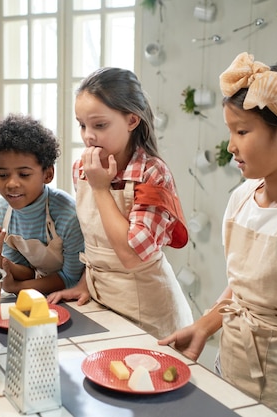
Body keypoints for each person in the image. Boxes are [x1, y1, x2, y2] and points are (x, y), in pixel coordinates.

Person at [158, 52, 277, 417]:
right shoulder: (241, 200)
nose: (231, 146)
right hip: (229, 373)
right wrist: (204, 326)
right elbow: (244, 289)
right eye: (230, 131)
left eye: (242, 131)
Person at [47, 67, 193, 340]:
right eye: (82, 124)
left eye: (99, 125)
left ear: (132, 120)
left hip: (150, 315)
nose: (88, 136)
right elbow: (97, 243)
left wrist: (101, 188)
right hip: (103, 304)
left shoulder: (153, 173)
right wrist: (84, 284)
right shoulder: (82, 167)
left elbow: (130, 255)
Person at [0, 113, 85, 295]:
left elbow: (70, 278)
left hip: (72, 295)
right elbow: (25, 270)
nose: (11, 184)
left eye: (24, 174)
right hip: (36, 291)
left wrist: (16, 288)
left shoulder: (68, 214)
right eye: (2, 175)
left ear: (48, 174)